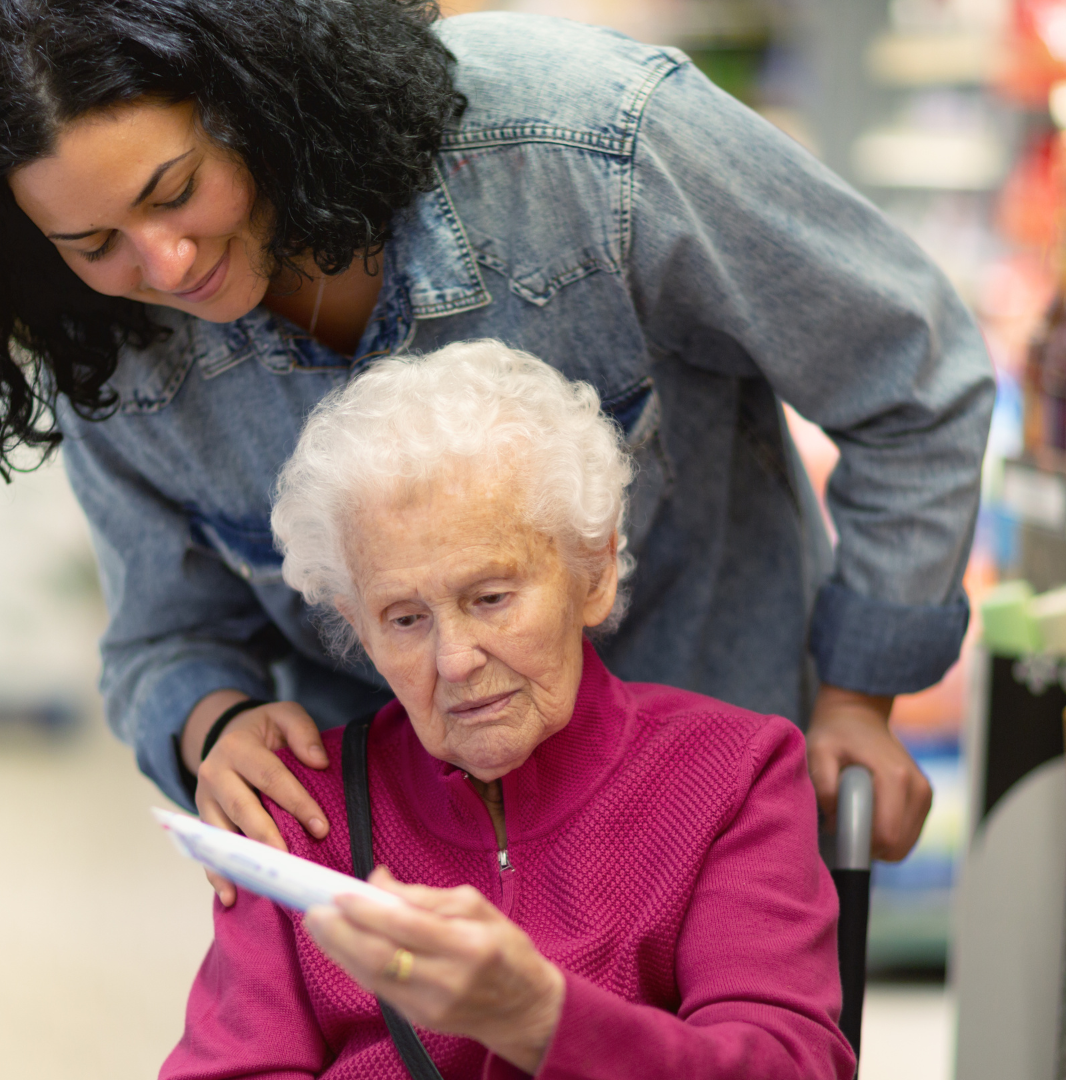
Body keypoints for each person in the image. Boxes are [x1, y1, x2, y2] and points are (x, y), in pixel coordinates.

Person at [0, 0, 993, 869]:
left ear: (258, 98)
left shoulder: (587, 147)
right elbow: (168, 635)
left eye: (176, 190)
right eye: (93, 243)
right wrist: (217, 725)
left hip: (725, 822)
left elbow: (910, 371)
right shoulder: (107, 343)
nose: (163, 267)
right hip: (424, 873)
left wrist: (860, 698)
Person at [165, 341, 855, 1080]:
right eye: (404, 619)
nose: (454, 659)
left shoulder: (733, 775)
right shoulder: (297, 815)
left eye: (490, 598)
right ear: (357, 627)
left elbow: (788, 1066)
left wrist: (534, 1019)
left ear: (592, 575)